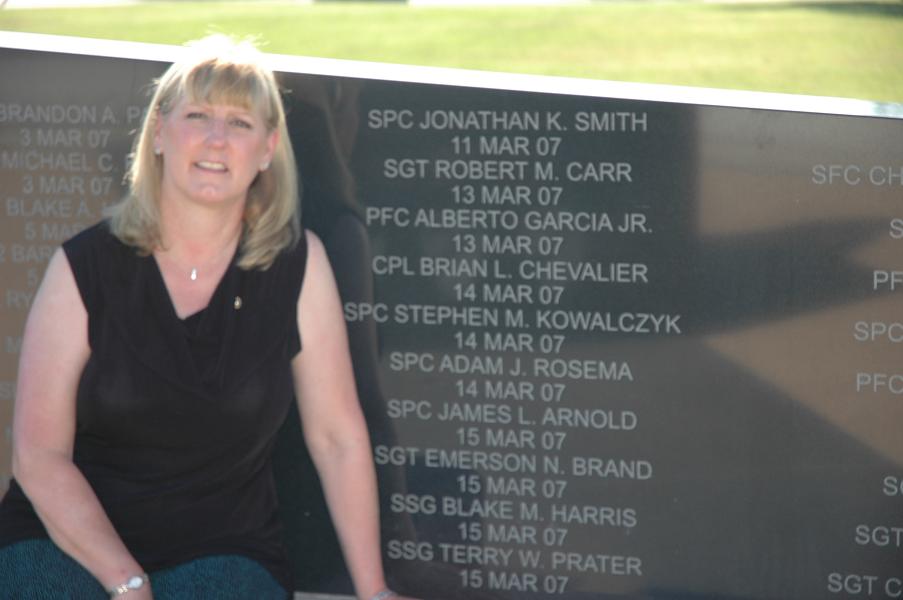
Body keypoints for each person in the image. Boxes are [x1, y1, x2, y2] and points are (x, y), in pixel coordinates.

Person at [0, 35, 417, 600]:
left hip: (223, 552)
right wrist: (127, 583)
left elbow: (337, 438)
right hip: (67, 543)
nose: (216, 138)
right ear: (158, 134)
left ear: (268, 149)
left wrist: (374, 591)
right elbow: (38, 456)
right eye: (197, 115)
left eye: (239, 122)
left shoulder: (299, 265)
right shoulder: (83, 266)